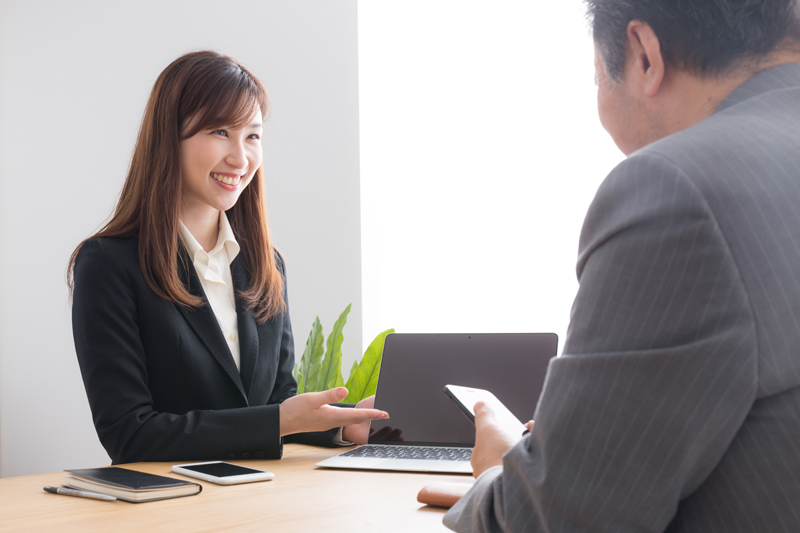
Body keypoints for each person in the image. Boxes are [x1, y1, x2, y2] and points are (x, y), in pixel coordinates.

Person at [445, 1, 800, 531]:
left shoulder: (676, 187)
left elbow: (556, 519)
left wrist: (499, 469)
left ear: (645, 55)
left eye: (595, 80)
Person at [68, 50, 387, 464]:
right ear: (170, 137)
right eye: (220, 131)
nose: (240, 158)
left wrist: (347, 424)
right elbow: (129, 433)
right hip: (168, 512)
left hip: (258, 504)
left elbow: (277, 403)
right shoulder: (108, 264)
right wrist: (277, 421)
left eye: (252, 136)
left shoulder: (265, 265)